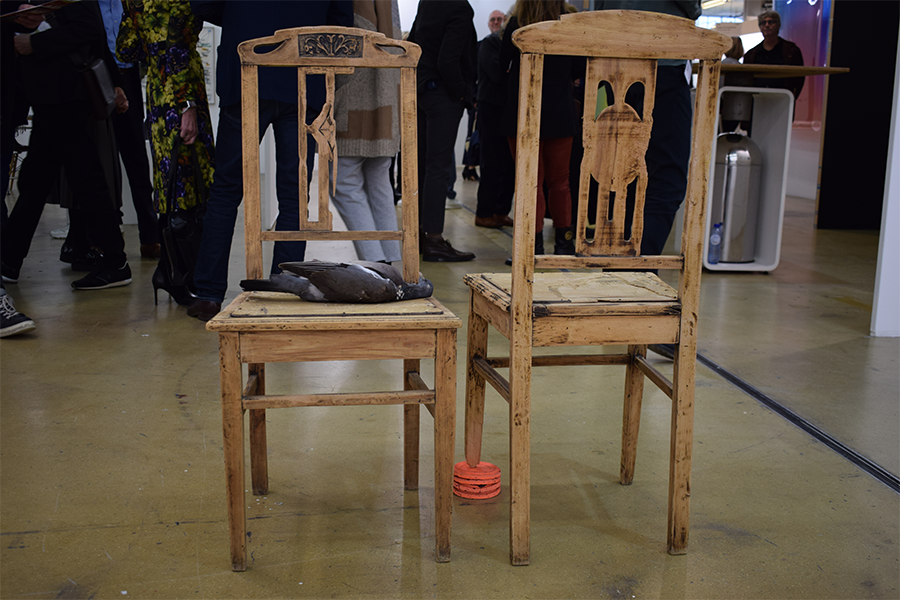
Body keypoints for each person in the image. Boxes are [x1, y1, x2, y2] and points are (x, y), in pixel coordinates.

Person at [185, 0, 353, 321]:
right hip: (303, 76)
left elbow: (202, 5)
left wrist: (240, 16)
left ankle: (208, 294)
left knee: (226, 191)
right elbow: (340, 23)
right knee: (294, 196)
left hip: (246, 68)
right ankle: (284, 290)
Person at [0, 0, 132, 290]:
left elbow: (89, 28)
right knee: (36, 180)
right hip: (50, 95)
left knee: (83, 177)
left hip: (63, 94)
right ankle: (8, 260)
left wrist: (35, 43)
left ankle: (115, 262)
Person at [117, 0, 214, 306]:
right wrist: (187, 106)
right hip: (183, 94)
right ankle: (182, 273)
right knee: (189, 184)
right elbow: (177, 50)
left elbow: (125, 51)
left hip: (158, 93)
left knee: (169, 183)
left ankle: (169, 270)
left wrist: (151, 45)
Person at [594, 0, 702, 256]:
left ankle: (616, 261)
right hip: (664, 59)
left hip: (616, 65)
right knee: (667, 175)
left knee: (622, 173)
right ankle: (640, 266)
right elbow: (691, 6)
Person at [501, 0, 582, 256]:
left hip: (523, 112)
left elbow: (502, 64)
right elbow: (579, 68)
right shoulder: (568, 24)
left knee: (529, 183)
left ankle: (531, 246)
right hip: (560, 113)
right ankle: (564, 243)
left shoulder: (517, 25)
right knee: (560, 182)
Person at [328, 0, 402, 264]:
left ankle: (378, 263)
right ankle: (390, 262)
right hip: (386, 88)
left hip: (357, 93)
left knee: (342, 180)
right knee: (378, 177)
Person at [407, 0, 477, 262]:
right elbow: (448, 59)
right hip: (444, 95)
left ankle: (419, 234)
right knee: (438, 167)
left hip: (422, 91)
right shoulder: (459, 8)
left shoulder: (427, 2)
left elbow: (412, 44)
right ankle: (434, 239)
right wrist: (460, 94)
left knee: (423, 167)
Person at [100, 0, 160, 261]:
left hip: (128, 77)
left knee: (136, 158)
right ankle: (107, 237)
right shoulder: (90, 5)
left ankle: (150, 236)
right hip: (97, 78)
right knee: (102, 162)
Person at [473, 9, 514, 230]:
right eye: (494, 19)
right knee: (491, 161)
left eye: (501, 19)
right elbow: (496, 73)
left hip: (506, 108)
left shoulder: (508, 44)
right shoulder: (490, 43)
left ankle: (501, 211)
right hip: (491, 108)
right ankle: (484, 212)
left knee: (508, 162)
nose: (498, 22)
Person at [743, 10, 804, 100]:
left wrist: (793, 97)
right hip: (757, 98)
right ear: (760, 28)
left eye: (771, 22)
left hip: (783, 97)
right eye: (763, 23)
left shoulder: (792, 51)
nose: (767, 25)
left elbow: (799, 77)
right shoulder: (751, 54)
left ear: (778, 25)